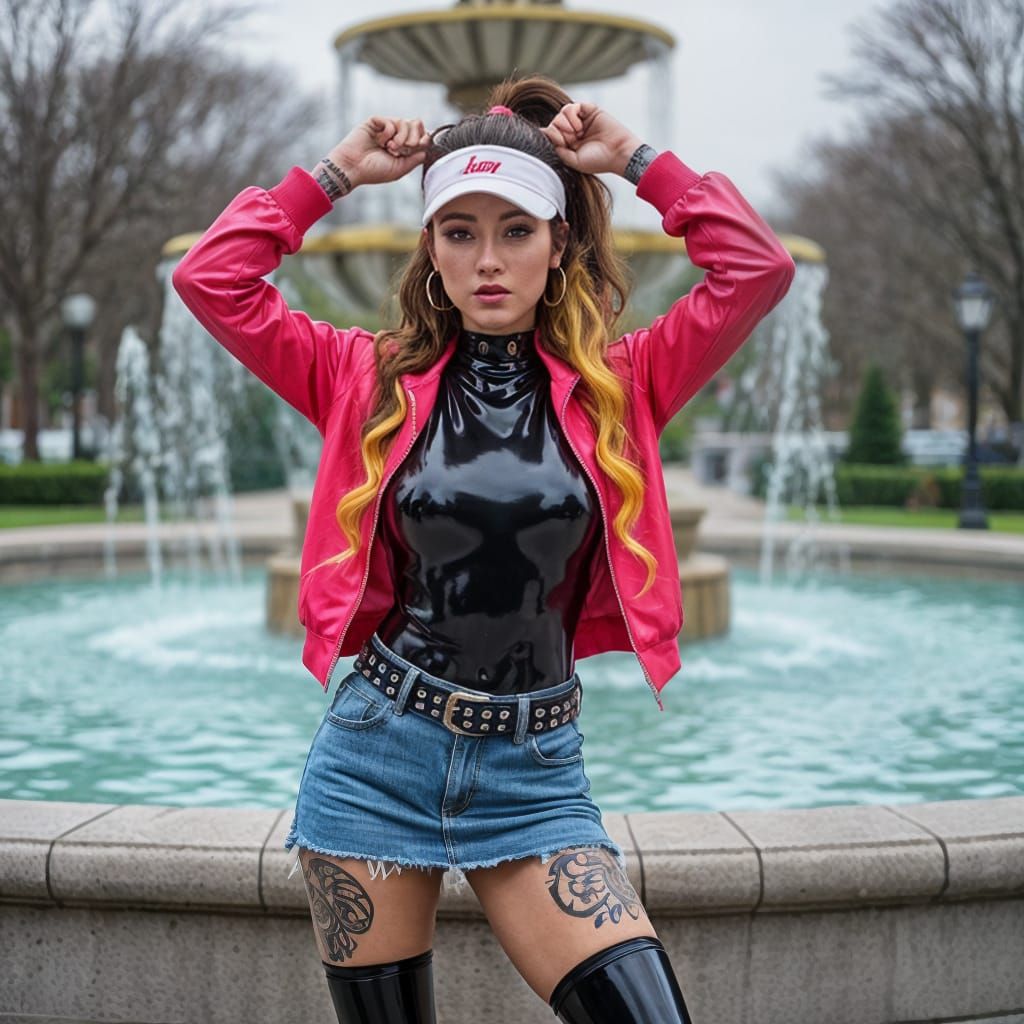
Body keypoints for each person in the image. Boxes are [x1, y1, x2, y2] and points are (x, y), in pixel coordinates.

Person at [172, 74, 795, 1024]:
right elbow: (210, 278)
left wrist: (634, 160)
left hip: (534, 774)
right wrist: (336, 173)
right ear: (431, 250)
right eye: (459, 232)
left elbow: (756, 268)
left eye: (516, 230)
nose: (488, 259)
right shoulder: (362, 378)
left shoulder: (622, 385)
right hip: (377, 756)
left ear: (559, 244)